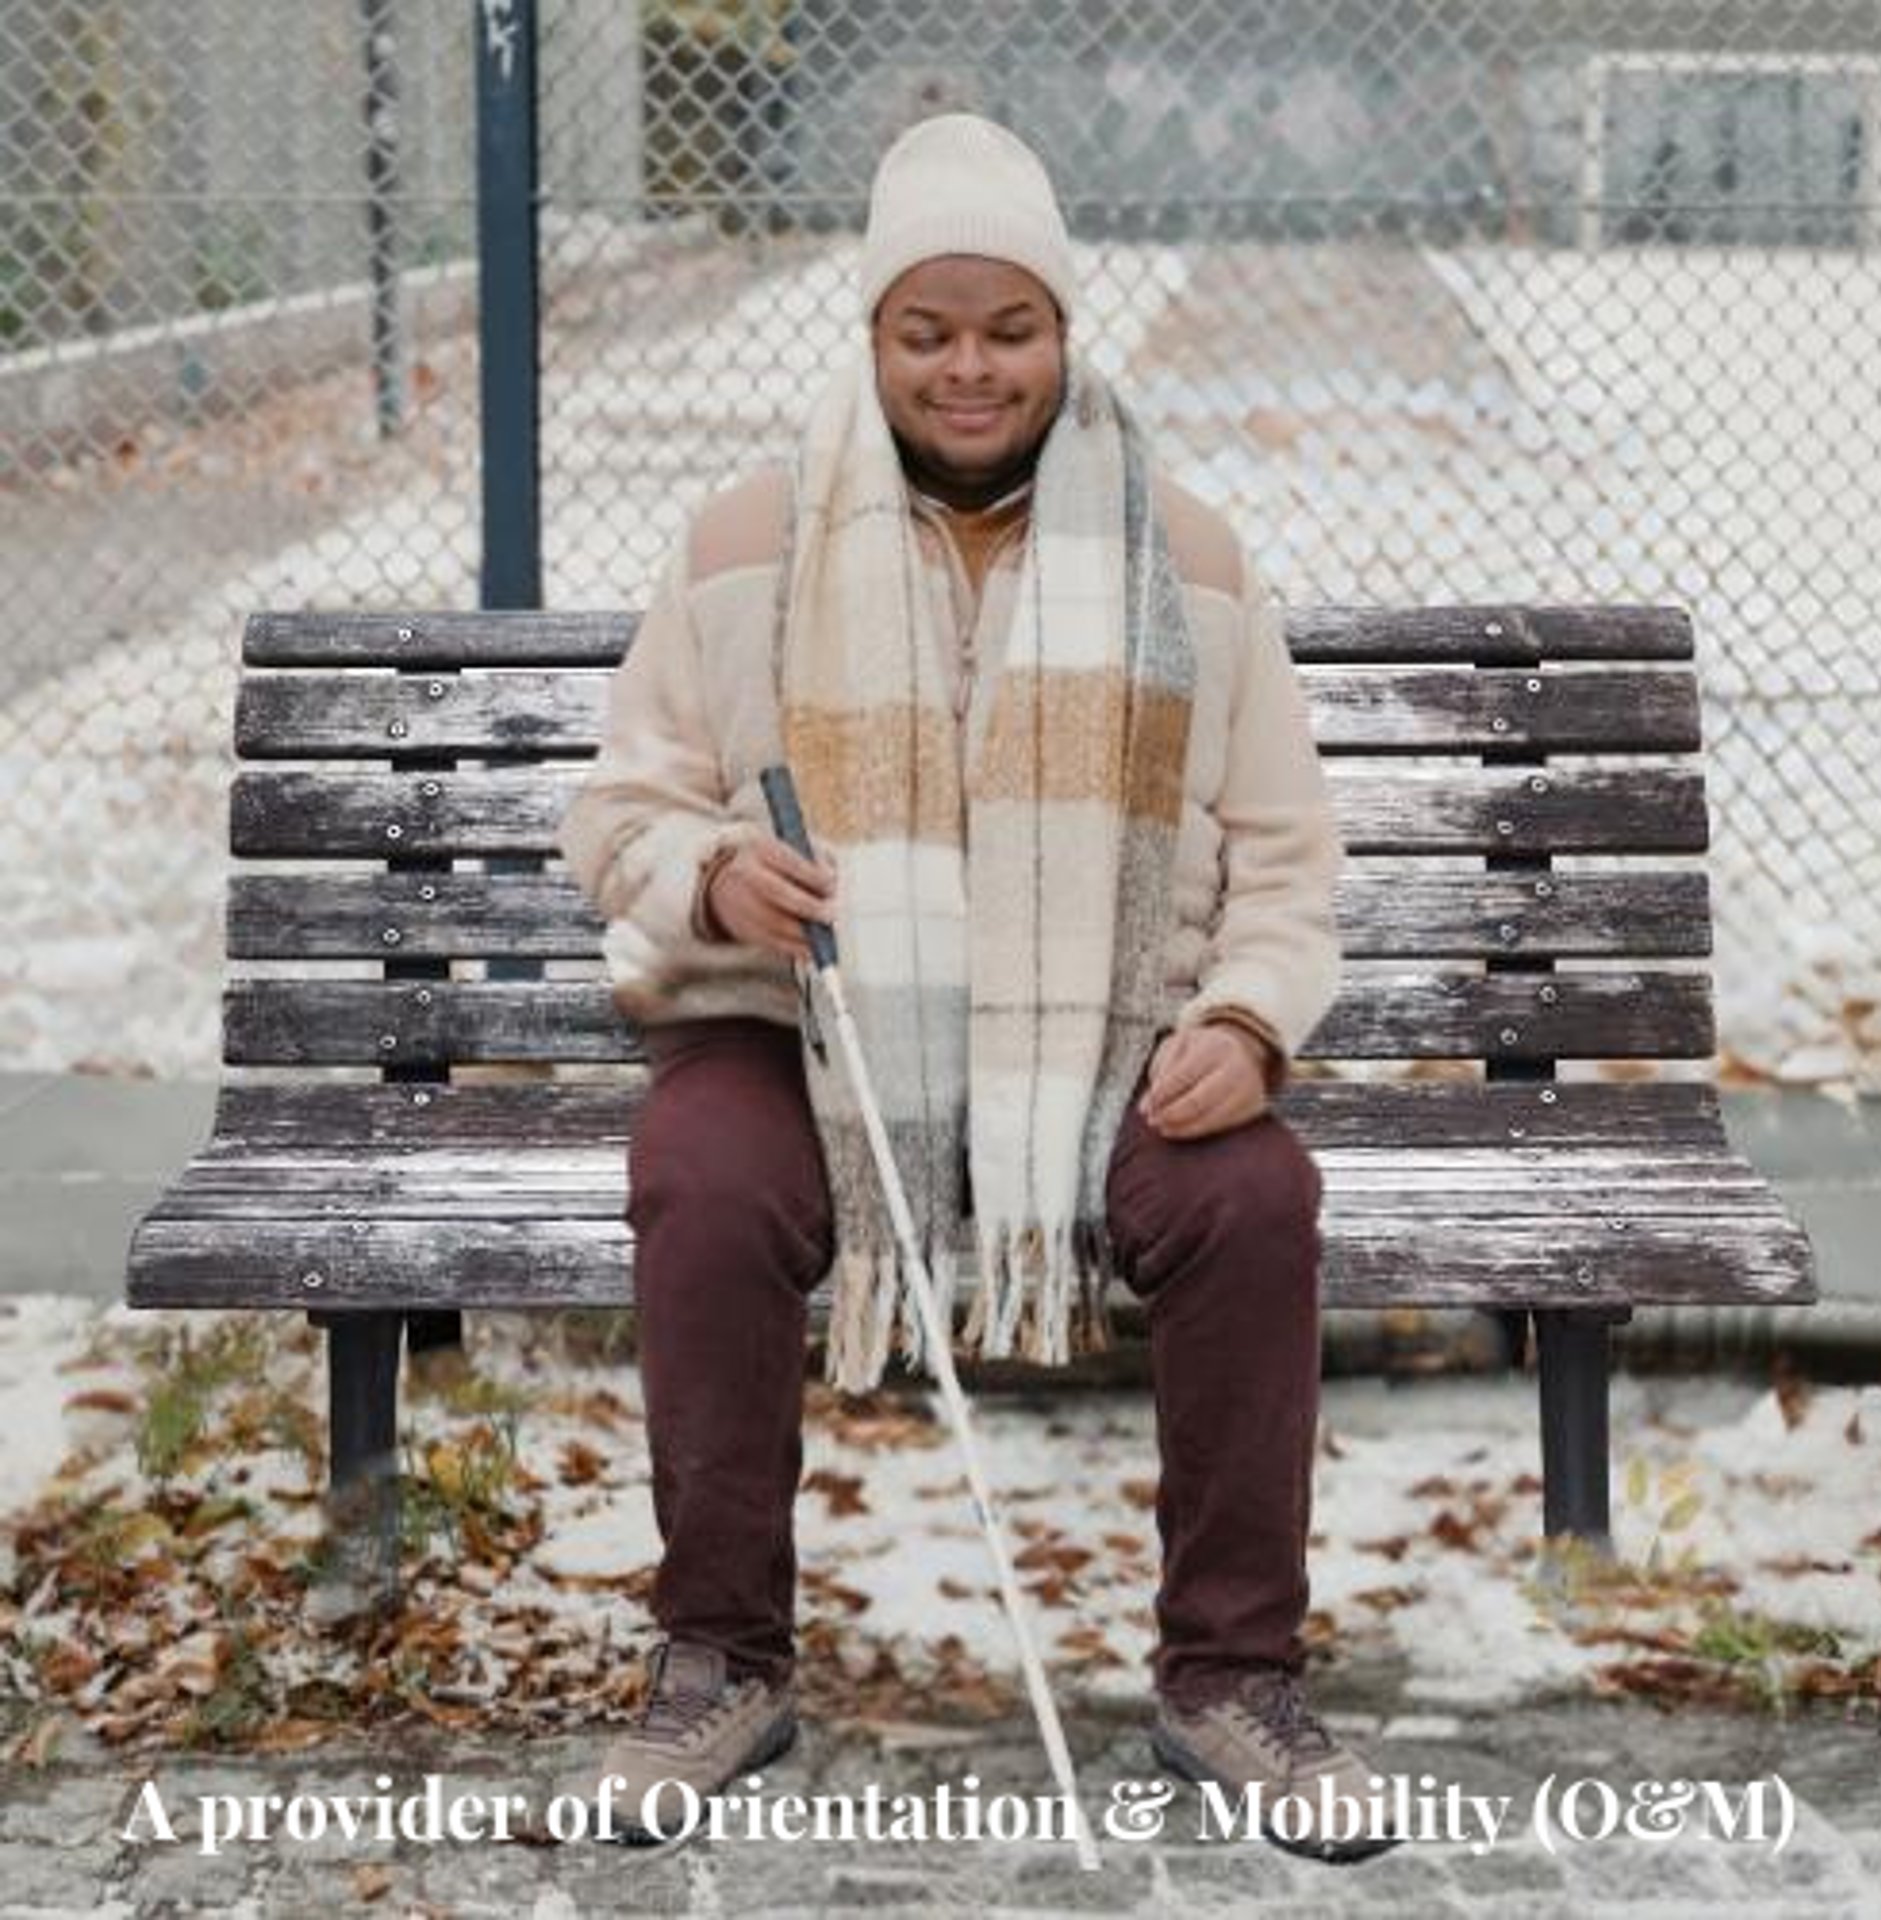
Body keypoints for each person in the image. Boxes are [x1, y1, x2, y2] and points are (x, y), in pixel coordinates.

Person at [557, 113, 1396, 1864]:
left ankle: (1230, 1679)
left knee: (1255, 1198)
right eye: (924, 328)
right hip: (807, 1032)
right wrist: (711, 869)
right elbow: (621, 814)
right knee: (702, 1182)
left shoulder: (1193, 556)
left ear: (1067, 333)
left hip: (1104, 1047)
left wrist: (1244, 1021)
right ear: (868, 334)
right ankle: (722, 1662)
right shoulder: (744, 542)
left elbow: (1290, 857)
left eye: (1007, 327)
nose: (967, 367)